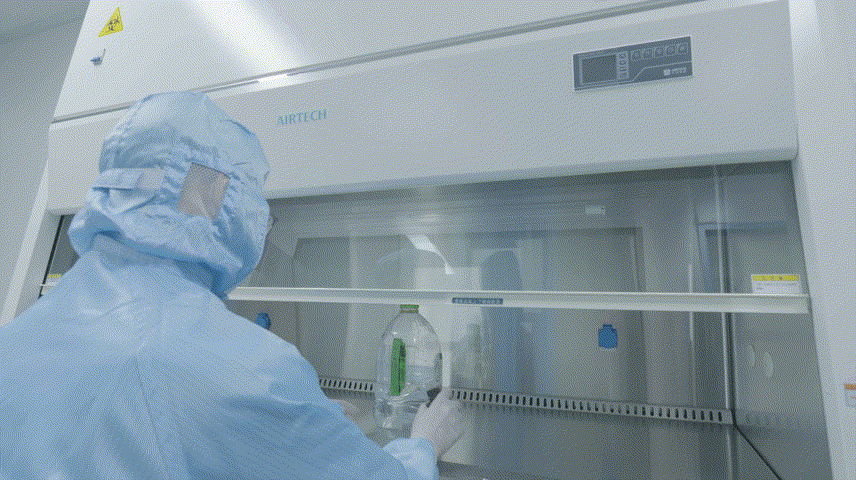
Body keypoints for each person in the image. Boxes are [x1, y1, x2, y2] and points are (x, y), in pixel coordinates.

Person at [0, 91, 463, 480]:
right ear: (214, 190)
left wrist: (299, 417)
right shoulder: (249, 370)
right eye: (250, 195)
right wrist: (422, 445)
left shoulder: (19, 337)